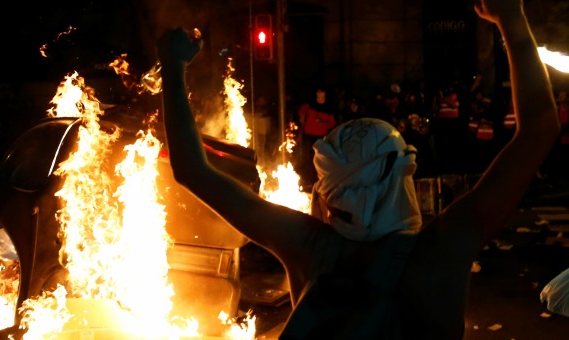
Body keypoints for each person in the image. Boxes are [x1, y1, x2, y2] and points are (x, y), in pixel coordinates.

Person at [157, 0, 560, 337]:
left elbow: (192, 170)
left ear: (328, 189)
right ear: (403, 174)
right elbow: (540, 127)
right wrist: (511, 18)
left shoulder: (306, 246)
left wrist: (172, 67)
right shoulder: (443, 248)